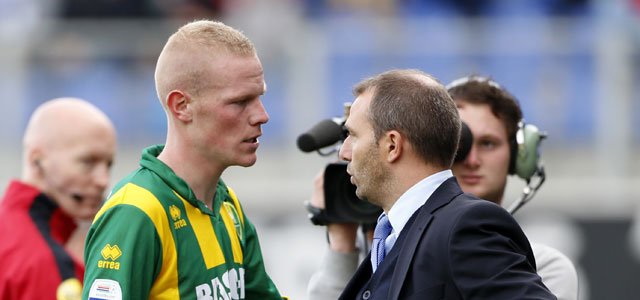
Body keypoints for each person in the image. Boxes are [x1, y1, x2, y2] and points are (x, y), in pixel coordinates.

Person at [307, 74, 578, 300]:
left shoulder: (469, 226)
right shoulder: (390, 235)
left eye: (353, 136)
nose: (344, 152)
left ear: (392, 145)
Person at [82, 20, 285, 300]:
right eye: (240, 102)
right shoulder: (136, 211)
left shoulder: (227, 206)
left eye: (260, 97)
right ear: (182, 106)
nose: (262, 115)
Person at [0, 97, 117, 300]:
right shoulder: (45, 263)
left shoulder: (10, 230)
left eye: (108, 164)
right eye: (88, 161)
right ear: (36, 160)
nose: (103, 180)